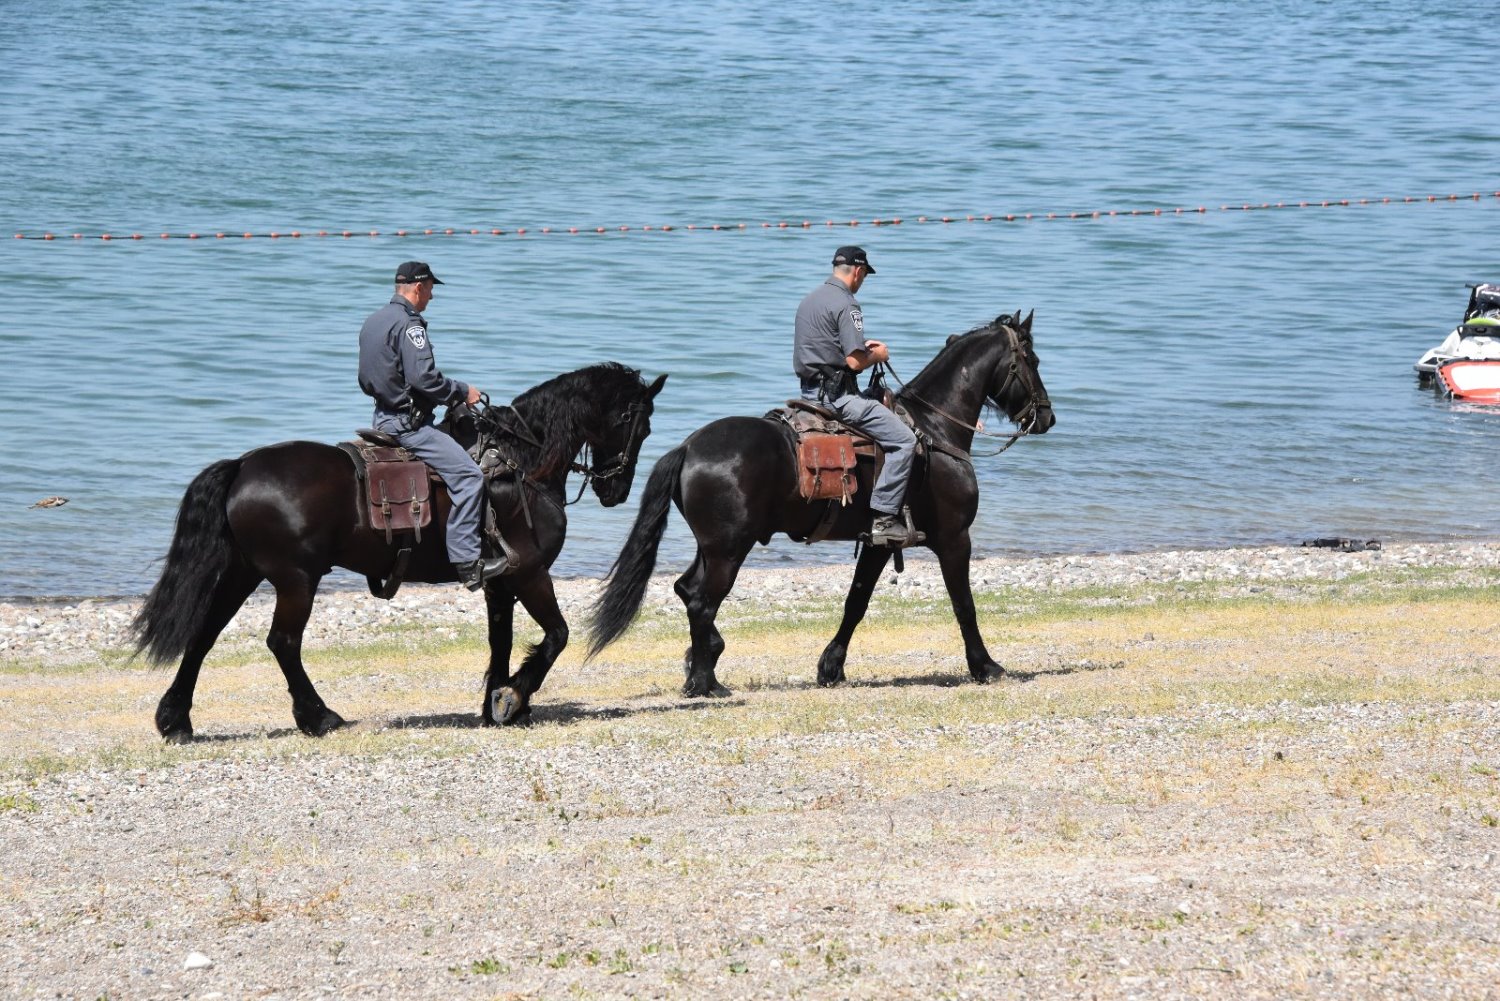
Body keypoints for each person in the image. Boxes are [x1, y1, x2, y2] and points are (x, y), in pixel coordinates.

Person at [357, 261, 508, 590]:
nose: (431, 297)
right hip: (408, 427)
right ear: (418, 287)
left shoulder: (374, 321)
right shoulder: (410, 325)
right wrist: (461, 391)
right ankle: (467, 562)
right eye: (430, 290)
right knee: (469, 477)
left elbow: (366, 378)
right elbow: (423, 378)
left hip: (382, 417)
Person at [793, 246, 920, 547]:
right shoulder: (848, 304)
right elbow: (853, 362)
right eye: (864, 276)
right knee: (905, 441)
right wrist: (878, 355)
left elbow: (825, 345)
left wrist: (861, 346)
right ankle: (883, 518)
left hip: (808, 393)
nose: (862, 282)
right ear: (858, 271)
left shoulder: (810, 299)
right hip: (837, 399)